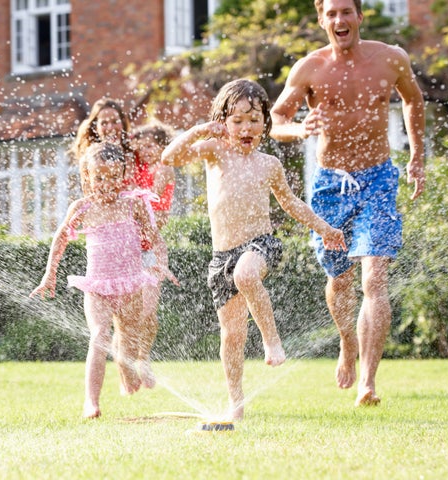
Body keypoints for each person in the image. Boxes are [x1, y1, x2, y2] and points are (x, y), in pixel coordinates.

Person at [269, 0, 426, 406]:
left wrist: (417, 155)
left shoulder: (391, 59)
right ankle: (346, 342)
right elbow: (277, 121)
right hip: (329, 185)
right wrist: (300, 128)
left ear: (359, 16)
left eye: (346, 12)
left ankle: (368, 383)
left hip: (377, 177)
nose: (340, 20)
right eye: (332, 14)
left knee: (374, 277)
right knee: (340, 280)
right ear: (322, 20)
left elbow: (413, 100)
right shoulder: (309, 68)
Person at [162, 78, 346, 420]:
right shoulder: (214, 151)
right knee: (231, 335)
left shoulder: (269, 165)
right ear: (223, 123)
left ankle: (272, 341)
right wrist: (200, 130)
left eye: (254, 119)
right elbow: (169, 156)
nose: (247, 127)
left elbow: (291, 204)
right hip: (222, 256)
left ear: (265, 122)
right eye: (238, 120)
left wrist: (324, 229)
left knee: (246, 274)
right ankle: (236, 403)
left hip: (260, 244)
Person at [30, 142, 159, 419]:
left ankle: (126, 369)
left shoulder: (132, 205)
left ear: (123, 176)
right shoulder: (83, 207)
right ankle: (91, 401)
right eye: (99, 177)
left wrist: (160, 263)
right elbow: (61, 238)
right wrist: (49, 273)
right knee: (100, 336)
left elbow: (154, 237)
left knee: (128, 341)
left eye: (113, 177)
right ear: (87, 177)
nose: (106, 184)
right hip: (97, 287)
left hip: (130, 286)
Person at [130, 121, 180, 384]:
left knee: (148, 310)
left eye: (153, 145)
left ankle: (143, 358)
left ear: (164, 146)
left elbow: (151, 201)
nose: (147, 150)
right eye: (143, 146)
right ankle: (128, 364)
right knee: (128, 312)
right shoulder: (133, 167)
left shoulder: (164, 168)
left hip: (152, 246)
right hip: (128, 247)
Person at [71, 97, 132, 195]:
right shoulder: (88, 160)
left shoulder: (135, 152)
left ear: (123, 123)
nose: (110, 128)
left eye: (115, 121)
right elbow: (89, 200)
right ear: (95, 127)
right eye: (104, 123)